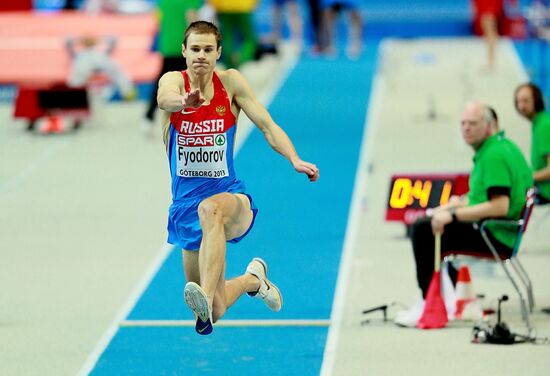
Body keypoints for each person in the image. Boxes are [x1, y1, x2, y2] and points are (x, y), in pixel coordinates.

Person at [156, 21, 320, 335]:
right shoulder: (172, 82)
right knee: (214, 312)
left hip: (230, 199)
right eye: (195, 49)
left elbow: (268, 126)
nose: (200, 56)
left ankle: (203, 293)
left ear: (218, 52)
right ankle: (253, 280)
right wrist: (184, 103)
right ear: (184, 52)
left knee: (210, 210)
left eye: (207, 49)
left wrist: (295, 158)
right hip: (184, 208)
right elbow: (164, 98)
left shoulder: (230, 83)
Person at [395, 102, 533, 327]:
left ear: (489, 126)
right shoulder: (501, 147)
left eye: (473, 124)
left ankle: (426, 302)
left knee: (422, 229)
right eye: (463, 123)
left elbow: (500, 206)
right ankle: (437, 298)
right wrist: (451, 206)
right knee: (429, 220)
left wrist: (453, 216)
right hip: (499, 229)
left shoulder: (493, 157)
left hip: (495, 235)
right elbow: (482, 196)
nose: (466, 129)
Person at [142, 0, 201, 134]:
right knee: (191, 82)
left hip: (168, 46)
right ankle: (192, 119)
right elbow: (192, 20)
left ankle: (148, 117)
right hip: (183, 46)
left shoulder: (164, 2)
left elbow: (159, 21)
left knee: (161, 82)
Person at [514, 83, 550, 204]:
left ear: (536, 100)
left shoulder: (544, 125)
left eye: (525, 101)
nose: (521, 106)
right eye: (519, 102)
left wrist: (525, 178)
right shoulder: (538, 123)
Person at [471, 0, 517, 70]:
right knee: (488, 30)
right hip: (485, 4)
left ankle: (491, 62)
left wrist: (513, 2)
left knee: (490, 30)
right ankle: (490, 61)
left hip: (489, 4)